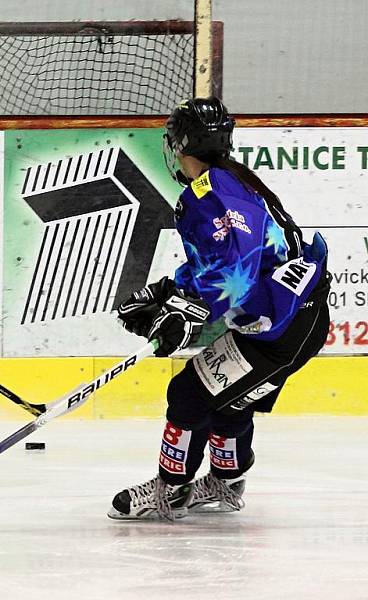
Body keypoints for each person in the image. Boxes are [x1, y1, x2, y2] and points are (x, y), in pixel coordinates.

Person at [108, 97, 331, 520]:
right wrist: (171, 290)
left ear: (181, 144)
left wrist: (185, 313)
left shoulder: (209, 193)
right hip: (296, 317)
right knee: (230, 401)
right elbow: (231, 260)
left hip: (278, 328)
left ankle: (171, 491)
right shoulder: (232, 180)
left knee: (189, 394)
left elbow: (238, 269)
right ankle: (227, 484)